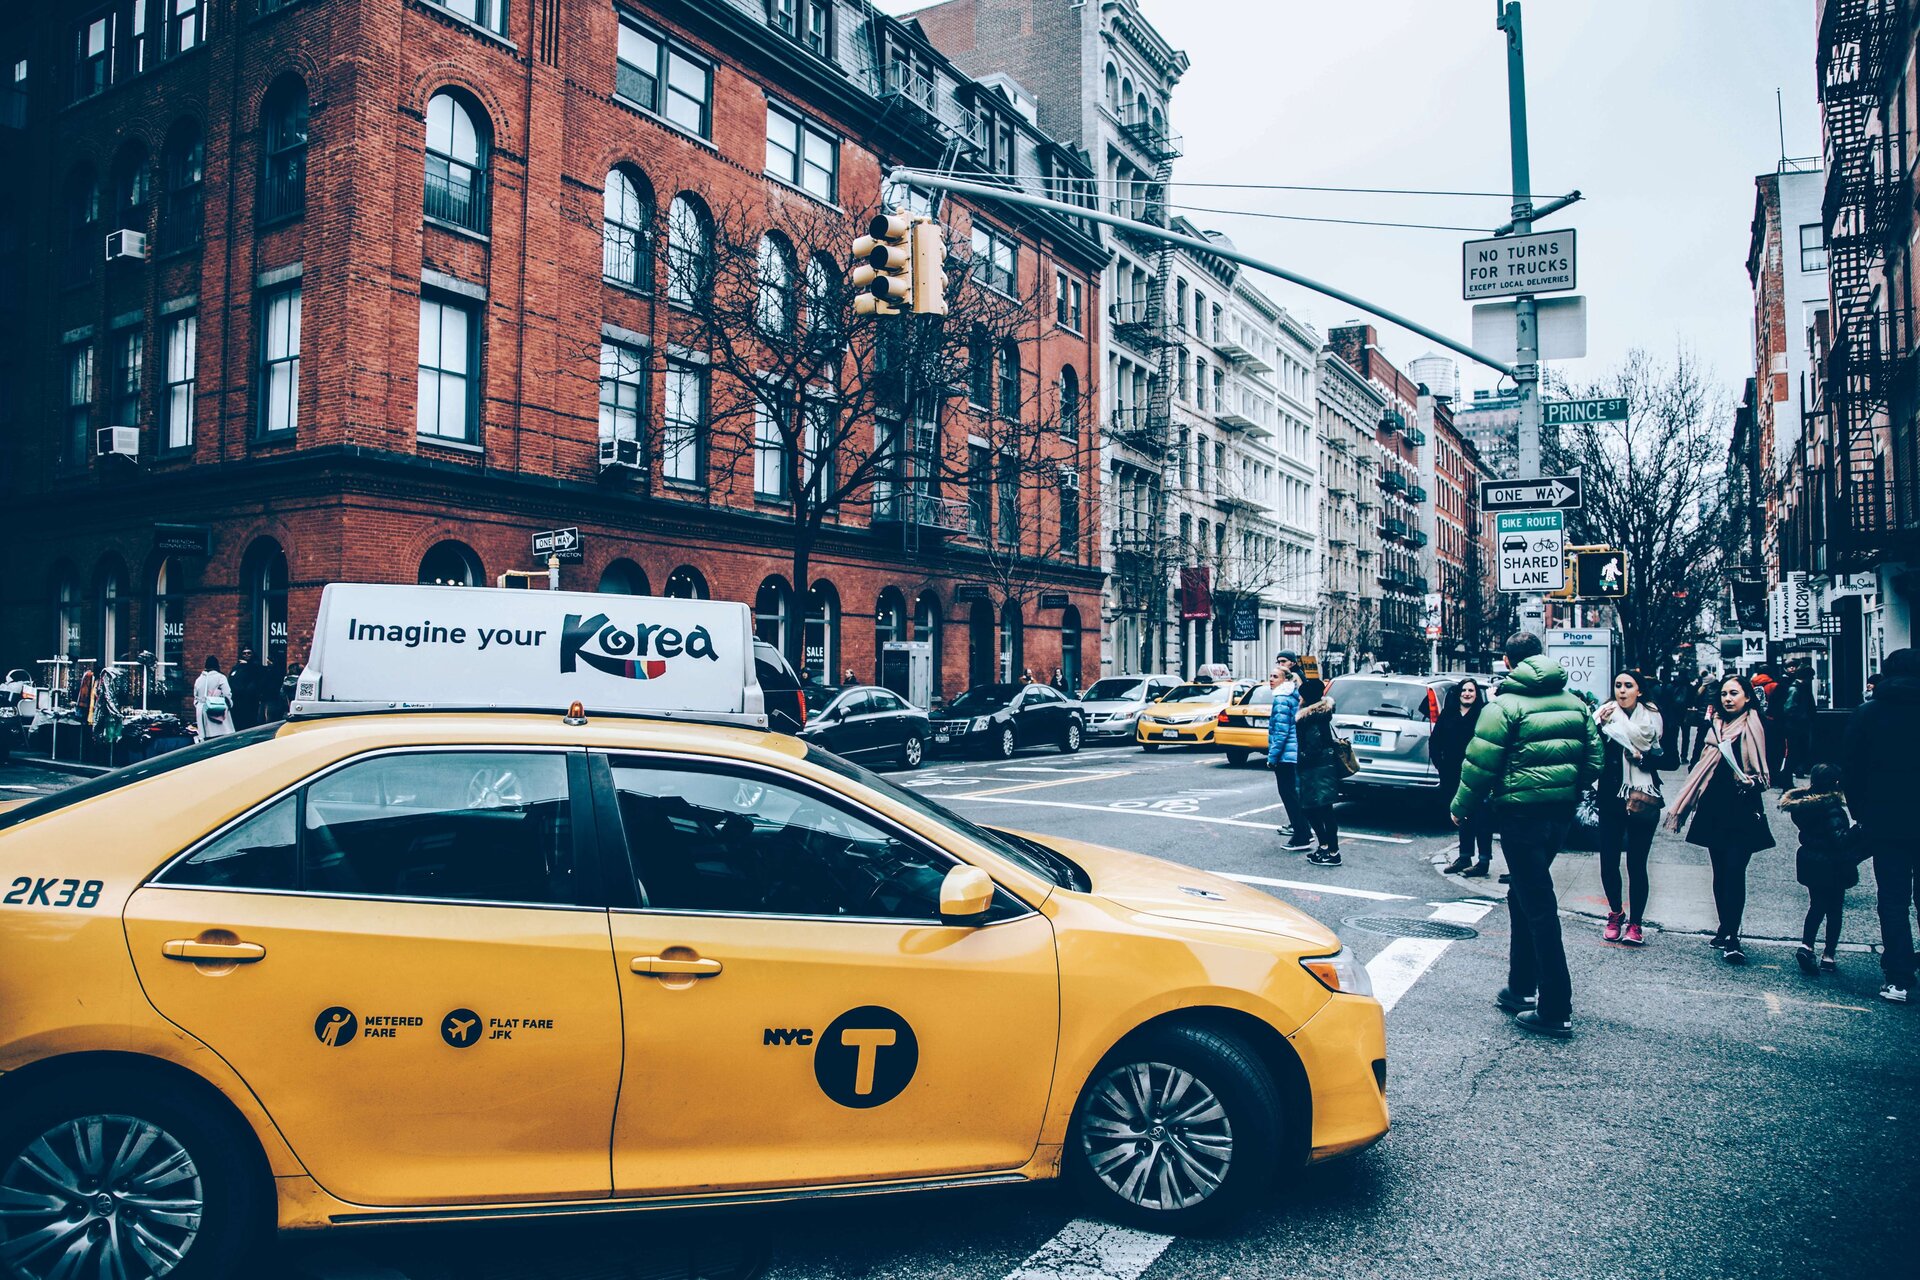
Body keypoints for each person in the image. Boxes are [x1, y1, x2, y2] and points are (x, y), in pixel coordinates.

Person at [1451, 632, 1603, 1039]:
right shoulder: (1575, 703)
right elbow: (1595, 759)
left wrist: (1461, 808)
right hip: (1560, 814)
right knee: (1521, 894)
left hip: (1520, 816)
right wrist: (1567, 787)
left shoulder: (1504, 705)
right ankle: (1521, 987)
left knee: (1538, 906)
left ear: (1507, 660)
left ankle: (1555, 1007)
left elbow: (1480, 763)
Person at [1665, 674, 1773, 965]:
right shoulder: (1713, 726)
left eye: (1734, 693)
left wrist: (1753, 781)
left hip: (1744, 806)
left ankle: (1734, 937)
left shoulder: (1757, 726)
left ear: (1747, 697)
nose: (1728, 698)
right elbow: (1701, 763)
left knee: (1736, 870)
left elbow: (1767, 771)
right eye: (1724, 693)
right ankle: (1725, 926)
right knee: (1720, 871)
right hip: (1714, 806)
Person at [1842, 646, 1920, 1003]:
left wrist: (1862, 812)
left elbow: (1852, 769)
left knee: (1892, 897)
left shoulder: (1869, 713)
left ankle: (1899, 976)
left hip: (1886, 819)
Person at [1594, 670, 1665, 946]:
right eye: (1618, 686)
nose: (1622, 691)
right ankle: (1615, 913)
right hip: (1611, 796)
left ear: (1640, 691)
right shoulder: (1604, 717)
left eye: (1628, 686)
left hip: (1643, 795)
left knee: (1637, 863)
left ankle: (1636, 923)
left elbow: (1671, 758)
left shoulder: (1653, 719)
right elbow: (1594, 753)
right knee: (1608, 861)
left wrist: (1643, 759)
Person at [1780, 763, 1858, 977]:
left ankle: (1807, 945)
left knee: (1816, 906)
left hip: (1810, 860)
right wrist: (1857, 832)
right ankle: (1829, 955)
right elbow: (1840, 839)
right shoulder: (1831, 807)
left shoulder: (1803, 807)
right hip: (1832, 863)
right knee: (1834, 910)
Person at [1433, 678, 1493, 877]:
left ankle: (1483, 860)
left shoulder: (1483, 715)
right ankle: (1464, 856)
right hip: (1453, 773)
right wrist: (1441, 766)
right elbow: (1435, 742)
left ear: (1477, 694)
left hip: (1477, 772)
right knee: (1462, 815)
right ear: (1458, 693)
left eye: (1471, 691)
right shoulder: (1449, 714)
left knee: (1482, 816)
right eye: (1464, 690)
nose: (1467, 694)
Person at [1293, 676, 1342, 865]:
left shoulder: (1310, 718)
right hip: (1322, 768)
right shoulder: (1319, 715)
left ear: (1307, 698)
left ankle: (1332, 851)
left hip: (1316, 770)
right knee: (1320, 809)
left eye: (1301, 696)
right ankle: (1325, 848)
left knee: (1316, 809)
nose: (1299, 700)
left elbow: (1312, 747)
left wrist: (1301, 758)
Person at [1265, 663, 1310, 851]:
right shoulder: (1291, 696)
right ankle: (1304, 832)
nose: (1271, 679)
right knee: (1293, 794)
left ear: (1285, 680)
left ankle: (1301, 836)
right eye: (1271, 676)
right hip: (1293, 753)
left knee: (1289, 795)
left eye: (1275, 677)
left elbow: (1281, 732)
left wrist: (1272, 757)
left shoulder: (1282, 698)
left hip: (1286, 755)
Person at [1781, 668, 1816, 784]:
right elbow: (1788, 708)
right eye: (1811, 676)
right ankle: (1787, 779)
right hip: (1795, 727)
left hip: (1796, 726)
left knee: (1796, 752)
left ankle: (1790, 776)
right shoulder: (1795, 689)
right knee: (1794, 753)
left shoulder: (1799, 688)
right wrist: (1802, 717)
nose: (1813, 679)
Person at [192, 655, 236, 740]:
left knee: (207, 739)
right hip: (218, 709)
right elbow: (227, 693)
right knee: (221, 737)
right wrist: (229, 704)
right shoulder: (220, 677)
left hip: (202, 711)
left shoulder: (198, 680)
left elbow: (196, 698)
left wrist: (200, 706)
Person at [228, 647, 264, 730]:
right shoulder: (237, 667)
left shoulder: (256, 666)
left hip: (250, 701)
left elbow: (257, 680)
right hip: (237, 701)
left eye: (249, 653)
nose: (246, 655)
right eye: (244, 653)